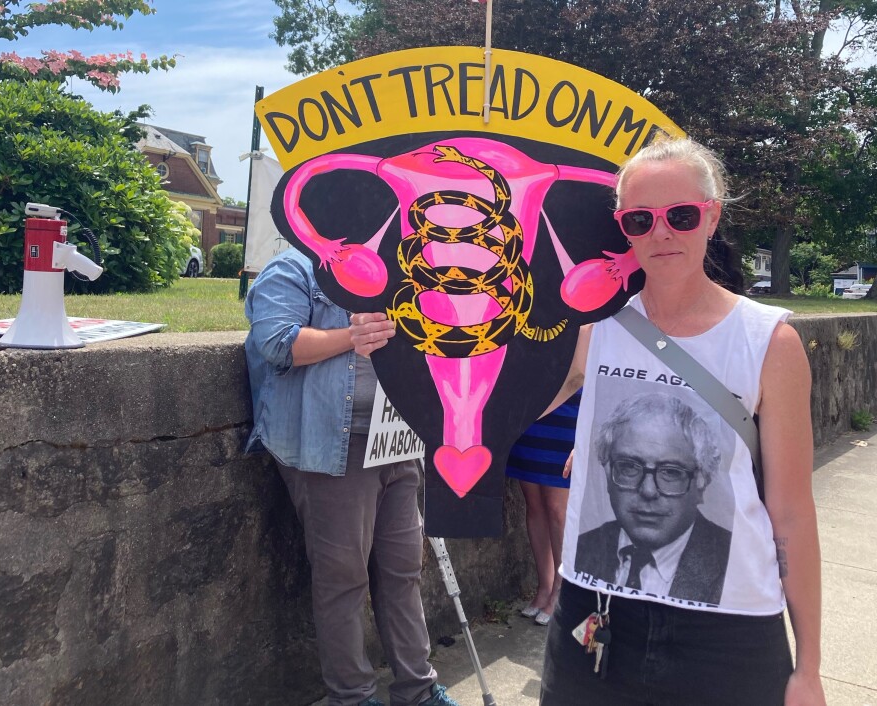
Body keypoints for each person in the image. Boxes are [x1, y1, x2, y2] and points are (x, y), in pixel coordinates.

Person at [349, 136, 825, 706]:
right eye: (639, 220)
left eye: (681, 215)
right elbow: (495, 401)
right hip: (596, 618)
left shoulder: (769, 342)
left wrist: (810, 666)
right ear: (621, 227)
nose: (661, 233)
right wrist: (388, 342)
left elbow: (792, 511)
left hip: (730, 630)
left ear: (712, 215)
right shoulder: (593, 328)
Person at [244, 247, 459, 706]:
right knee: (343, 579)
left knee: (403, 570)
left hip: (397, 439)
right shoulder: (294, 268)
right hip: (329, 448)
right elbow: (277, 342)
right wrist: (352, 335)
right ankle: (352, 697)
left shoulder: (401, 269)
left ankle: (417, 690)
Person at [574, 392, 731, 605]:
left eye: (671, 472)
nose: (648, 491)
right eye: (629, 467)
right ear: (608, 471)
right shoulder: (581, 549)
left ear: (702, 479)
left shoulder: (734, 562)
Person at [506, 390, 581, 625]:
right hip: (530, 406)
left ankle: (562, 589)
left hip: (568, 403)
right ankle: (545, 586)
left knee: (557, 507)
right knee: (534, 503)